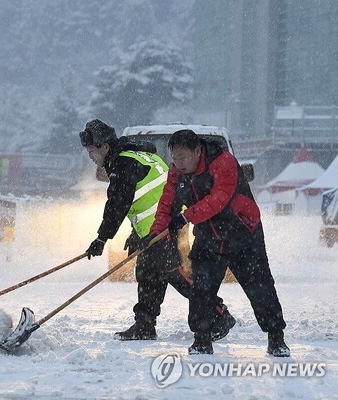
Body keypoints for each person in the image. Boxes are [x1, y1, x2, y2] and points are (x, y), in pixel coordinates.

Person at [79, 119, 235, 341]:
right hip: (156, 227)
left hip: (164, 228)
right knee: (148, 275)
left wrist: (101, 239)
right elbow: (144, 197)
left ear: (104, 147)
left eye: (92, 152)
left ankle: (220, 315)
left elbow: (117, 205)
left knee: (178, 276)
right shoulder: (135, 155)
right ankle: (144, 325)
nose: (92, 158)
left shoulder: (123, 164)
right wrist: (137, 234)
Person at [148, 128, 290, 356]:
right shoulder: (176, 174)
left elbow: (218, 200)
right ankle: (202, 339)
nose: (178, 163)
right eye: (174, 158)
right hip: (208, 238)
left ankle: (276, 338)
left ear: (197, 151)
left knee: (260, 288)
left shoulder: (223, 162)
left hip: (242, 234)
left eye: (182, 157)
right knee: (200, 290)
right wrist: (156, 233)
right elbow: (166, 205)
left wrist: (185, 217)